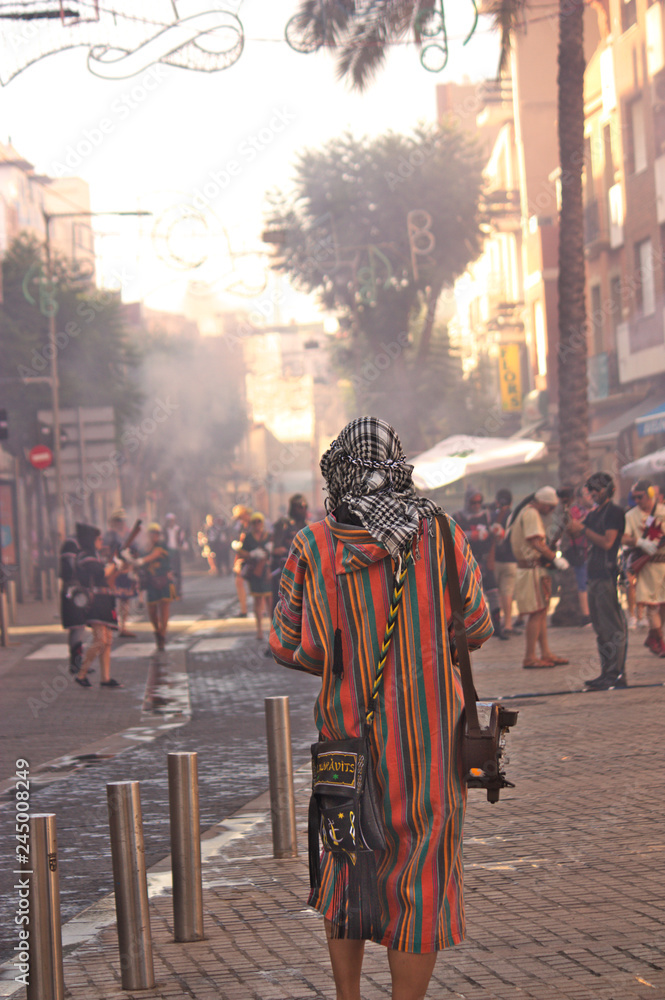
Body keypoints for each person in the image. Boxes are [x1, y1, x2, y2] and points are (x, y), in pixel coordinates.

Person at [269, 417, 493, 1000]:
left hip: (347, 737)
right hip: (432, 743)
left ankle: (348, 996)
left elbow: (291, 645)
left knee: (346, 860)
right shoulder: (440, 534)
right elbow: (478, 625)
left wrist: (344, 655)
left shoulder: (313, 545)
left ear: (337, 470)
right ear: (398, 464)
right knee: (420, 870)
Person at [569, 472, 627, 689]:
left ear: (609, 490)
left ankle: (616, 674)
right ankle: (606, 672)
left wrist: (583, 529)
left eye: (597, 489)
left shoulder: (614, 512)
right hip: (593, 575)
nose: (593, 493)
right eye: (591, 489)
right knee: (601, 629)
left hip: (607, 574)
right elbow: (575, 533)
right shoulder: (594, 514)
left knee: (612, 627)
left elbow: (608, 543)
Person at [510, 486, 570, 669]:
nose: (550, 511)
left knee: (542, 612)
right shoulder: (531, 514)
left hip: (533, 570)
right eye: (550, 507)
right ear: (543, 503)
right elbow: (535, 541)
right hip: (531, 570)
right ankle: (530, 656)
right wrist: (555, 558)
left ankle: (545, 653)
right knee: (536, 613)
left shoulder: (527, 512)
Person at [73, 523, 122, 688]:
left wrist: (116, 563)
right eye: (99, 539)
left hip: (105, 600)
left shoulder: (95, 555)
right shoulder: (86, 557)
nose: (101, 541)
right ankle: (81, 674)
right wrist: (114, 564)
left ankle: (105, 678)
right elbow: (101, 572)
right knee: (100, 640)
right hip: (95, 601)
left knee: (107, 640)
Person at [455, 487, 506, 639]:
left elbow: (500, 539)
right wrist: (473, 535)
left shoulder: (488, 516)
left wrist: (499, 532)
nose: (477, 505)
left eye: (479, 502)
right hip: (468, 561)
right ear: (467, 501)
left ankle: (498, 627)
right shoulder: (458, 516)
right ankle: (467, 629)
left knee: (493, 593)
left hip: (485, 559)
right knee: (468, 596)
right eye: (473, 502)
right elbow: (453, 536)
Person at [621, 478, 665, 657]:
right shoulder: (630, 516)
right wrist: (639, 541)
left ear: (650, 495)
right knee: (652, 606)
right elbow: (623, 538)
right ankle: (659, 640)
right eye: (635, 498)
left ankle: (653, 637)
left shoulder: (662, 512)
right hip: (647, 566)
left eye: (640, 497)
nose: (637, 501)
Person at [135, 523, 176, 650]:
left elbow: (155, 555)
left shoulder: (161, 546)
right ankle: (157, 631)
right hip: (151, 582)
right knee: (152, 611)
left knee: (164, 609)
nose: (155, 535)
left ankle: (162, 635)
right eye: (153, 533)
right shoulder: (144, 548)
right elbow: (139, 562)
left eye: (157, 533)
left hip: (163, 580)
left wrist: (141, 561)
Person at [270, 493, 309, 613]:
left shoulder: (308, 525)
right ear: (293, 507)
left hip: (303, 569)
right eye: (299, 506)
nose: (303, 509)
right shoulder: (284, 523)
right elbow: (276, 548)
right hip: (284, 568)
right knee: (281, 604)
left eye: (304, 506)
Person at [103, 508, 138, 638]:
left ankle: (123, 626)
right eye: (118, 520)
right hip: (113, 571)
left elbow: (135, 549)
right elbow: (106, 551)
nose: (120, 523)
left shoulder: (129, 534)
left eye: (121, 520)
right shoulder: (109, 535)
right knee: (112, 600)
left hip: (126, 570)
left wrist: (130, 562)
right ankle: (112, 624)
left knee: (125, 600)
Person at [238, 511, 272, 641]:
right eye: (254, 522)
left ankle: (272, 628)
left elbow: (275, 552)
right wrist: (252, 554)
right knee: (257, 600)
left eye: (259, 521)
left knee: (270, 601)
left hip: (267, 573)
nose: (257, 524)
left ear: (262, 523)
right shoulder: (248, 537)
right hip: (254, 573)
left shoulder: (269, 536)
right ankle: (259, 630)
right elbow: (241, 552)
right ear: (251, 524)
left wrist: (271, 550)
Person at [491, 488, 519, 635]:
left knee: (496, 593)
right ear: (511, 502)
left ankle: (498, 622)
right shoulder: (515, 516)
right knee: (507, 592)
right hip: (511, 560)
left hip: (494, 560)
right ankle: (508, 623)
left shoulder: (492, 516)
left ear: (497, 501)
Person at [59, 533, 87, 673]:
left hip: (72, 592)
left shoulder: (71, 544)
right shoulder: (72, 545)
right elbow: (71, 569)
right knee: (77, 626)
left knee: (78, 627)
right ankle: (76, 665)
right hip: (73, 592)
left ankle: (76, 663)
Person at [231, 505, 252, 617]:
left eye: (241, 516)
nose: (240, 519)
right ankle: (243, 609)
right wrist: (236, 544)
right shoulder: (240, 526)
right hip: (242, 556)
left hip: (253, 556)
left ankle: (263, 610)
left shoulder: (254, 524)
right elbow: (237, 538)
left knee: (256, 583)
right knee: (239, 581)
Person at [164, 512, 187, 597]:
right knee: (169, 572)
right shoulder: (164, 530)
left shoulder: (178, 529)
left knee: (177, 572)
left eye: (172, 521)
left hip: (176, 552)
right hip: (167, 553)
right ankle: (170, 591)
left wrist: (182, 547)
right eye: (169, 521)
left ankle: (178, 590)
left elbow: (182, 540)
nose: (171, 523)